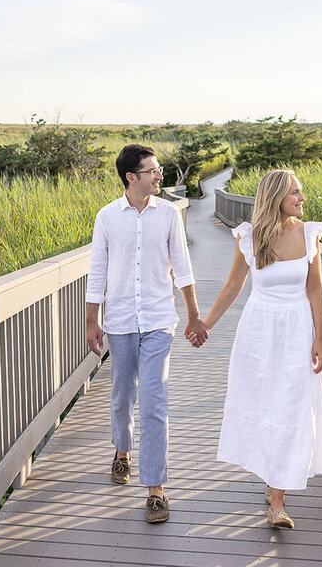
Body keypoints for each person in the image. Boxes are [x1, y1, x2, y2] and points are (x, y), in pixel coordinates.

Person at [196, 168, 322, 529]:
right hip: (258, 332)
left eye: (301, 192)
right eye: (295, 194)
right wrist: (205, 325)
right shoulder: (249, 237)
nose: (302, 198)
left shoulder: (309, 234)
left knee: (290, 407)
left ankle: (277, 500)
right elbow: (231, 287)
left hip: (298, 330)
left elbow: (315, 289)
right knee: (264, 406)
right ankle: (270, 480)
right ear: (276, 199)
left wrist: (320, 337)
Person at [86, 144, 207, 523]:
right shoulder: (107, 217)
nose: (160, 175)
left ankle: (155, 488)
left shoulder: (169, 214)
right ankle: (122, 451)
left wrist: (194, 316)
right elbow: (97, 274)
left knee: (154, 402)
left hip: (158, 321)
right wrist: (93, 321)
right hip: (120, 323)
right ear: (131, 177)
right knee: (123, 398)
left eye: (160, 169)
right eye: (153, 171)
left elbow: (182, 270)